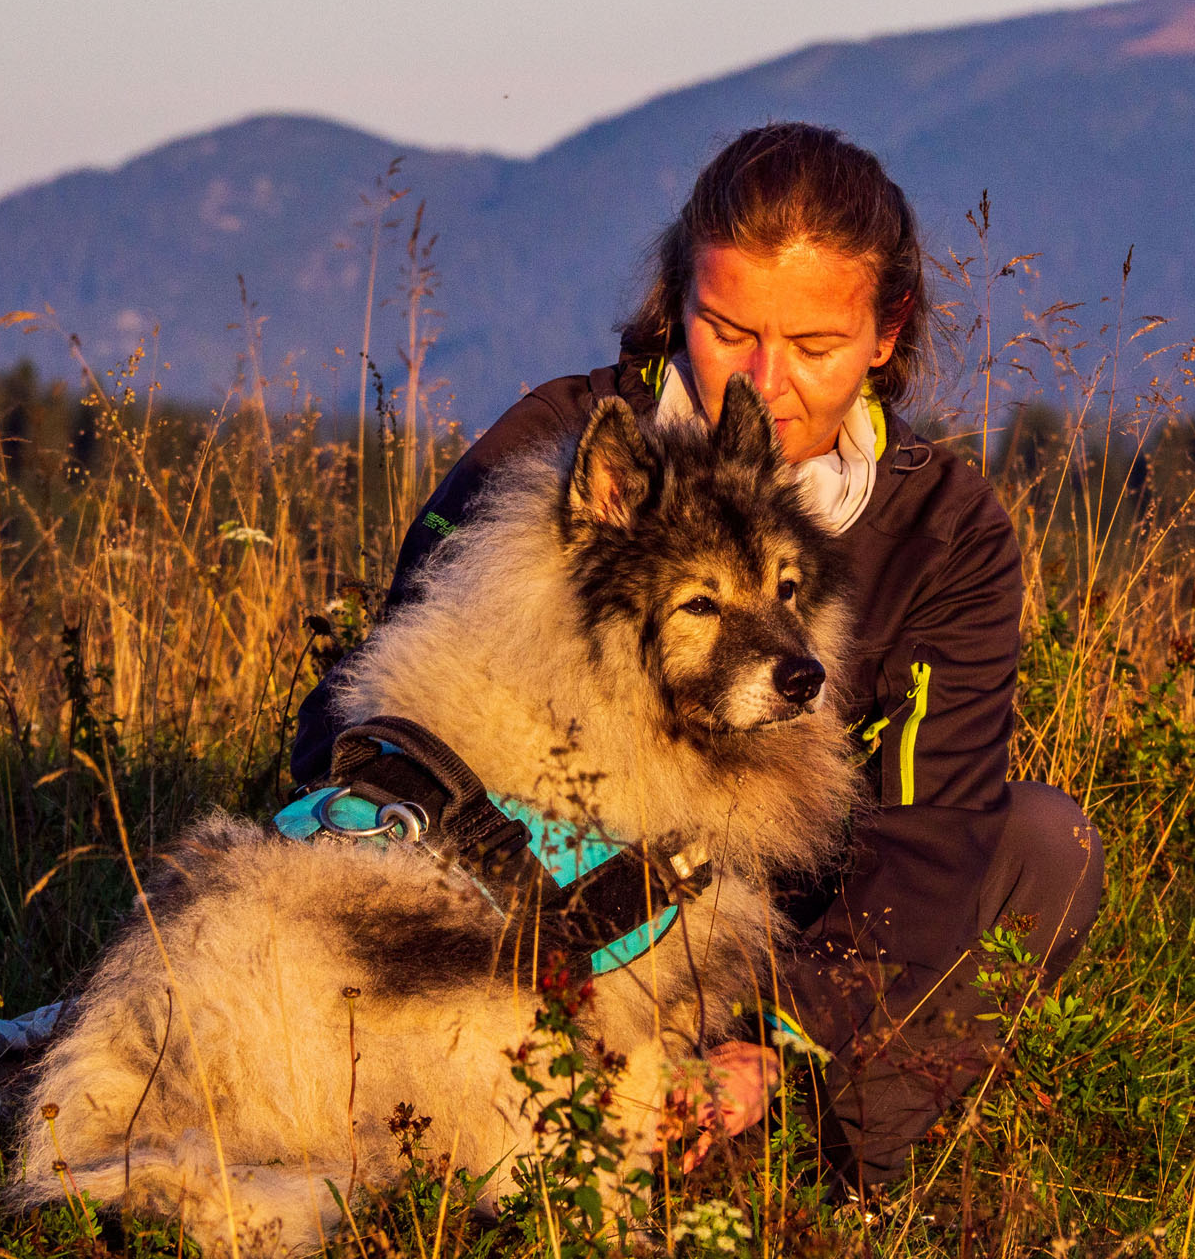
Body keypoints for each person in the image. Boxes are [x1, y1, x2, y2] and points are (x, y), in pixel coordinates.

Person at [290, 122, 1104, 1191]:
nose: (765, 382)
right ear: (677, 300)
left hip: (799, 936)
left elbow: (931, 833)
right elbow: (386, 705)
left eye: (813, 346)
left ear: (884, 330)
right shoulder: (561, 446)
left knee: (1046, 843)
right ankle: (570, 1137)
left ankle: (811, 1149)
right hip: (544, 900)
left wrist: (780, 1029)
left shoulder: (945, 527)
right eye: (727, 329)